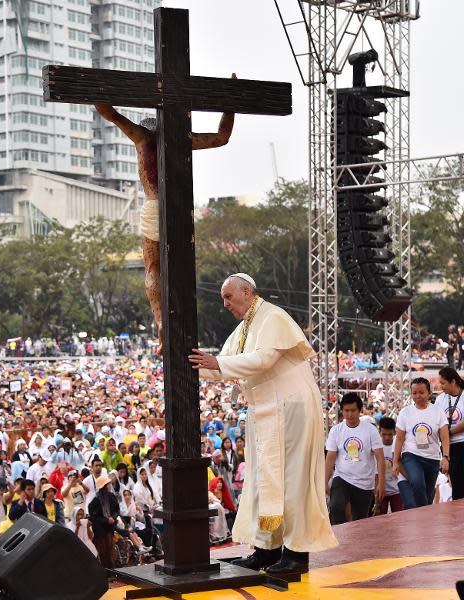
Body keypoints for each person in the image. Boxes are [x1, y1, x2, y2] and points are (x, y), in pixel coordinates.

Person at [188, 273, 337, 575]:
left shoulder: (273, 316)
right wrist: (182, 363)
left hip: (292, 406)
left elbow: (264, 359)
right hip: (264, 411)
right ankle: (266, 550)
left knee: (293, 481)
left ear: (247, 291)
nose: (225, 304)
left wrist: (217, 363)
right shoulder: (244, 328)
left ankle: (296, 554)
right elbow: (221, 367)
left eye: (228, 297)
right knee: (262, 480)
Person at [95, 97, 234, 351]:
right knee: (181, 269)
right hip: (181, 210)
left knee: (153, 266)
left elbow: (108, 112)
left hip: (155, 205)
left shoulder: (142, 138)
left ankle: (160, 320)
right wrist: (230, 102)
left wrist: (94, 88)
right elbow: (222, 137)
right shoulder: (183, 139)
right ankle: (180, 324)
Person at [324, 393, 385, 524]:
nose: (350, 414)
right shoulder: (336, 430)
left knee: (360, 520)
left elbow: (380, 457)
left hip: (364, 482)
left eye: (353, 410)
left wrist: (381, 482)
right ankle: (337, 538)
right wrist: (324, 481)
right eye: (346, 411)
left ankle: (356, 543)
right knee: (336, 506)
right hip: (342, 477)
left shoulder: (370, 430)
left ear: (360, 411)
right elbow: (330, 458)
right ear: (342, 411)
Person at [393, 377, 450, 508]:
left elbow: (445, 437)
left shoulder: (438, 411)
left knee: (428, 496)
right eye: (414, 393)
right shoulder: (405, 412)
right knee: (417, 482)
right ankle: (424, 516)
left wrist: (446, 457)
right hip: (411, 456)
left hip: (432, 459)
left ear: (429, 392)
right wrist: (396, 461)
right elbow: (400, 438)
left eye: (421, 392)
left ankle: (422, 521)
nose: (418, 396)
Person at [437, 366, 464, 500]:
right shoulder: (440, 399)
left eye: (443, 383)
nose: (441, 386)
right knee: (456, 484)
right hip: (449, 446)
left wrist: (449, 432)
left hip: (462, 442)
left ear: (453, 382)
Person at [88, 475, 120, 568]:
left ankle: (111, 570)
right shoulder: (95, 501)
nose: (109, 486)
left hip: (110, 529)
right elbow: (94, 517)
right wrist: (106, 520)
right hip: (100, 531)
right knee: (102, 552)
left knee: (110, 550)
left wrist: (113, 517)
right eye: (107, 485)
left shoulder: (111, 496)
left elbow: (117, 510)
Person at [376, 416, 404, 514]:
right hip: (381, 491)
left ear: (395, 433)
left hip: (397, 490)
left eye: (390, 434)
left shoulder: (399, 446)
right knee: (380, 520)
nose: (387, 437)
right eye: (384, 434)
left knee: (399, 519)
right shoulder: (376, 447)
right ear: (379, 432)